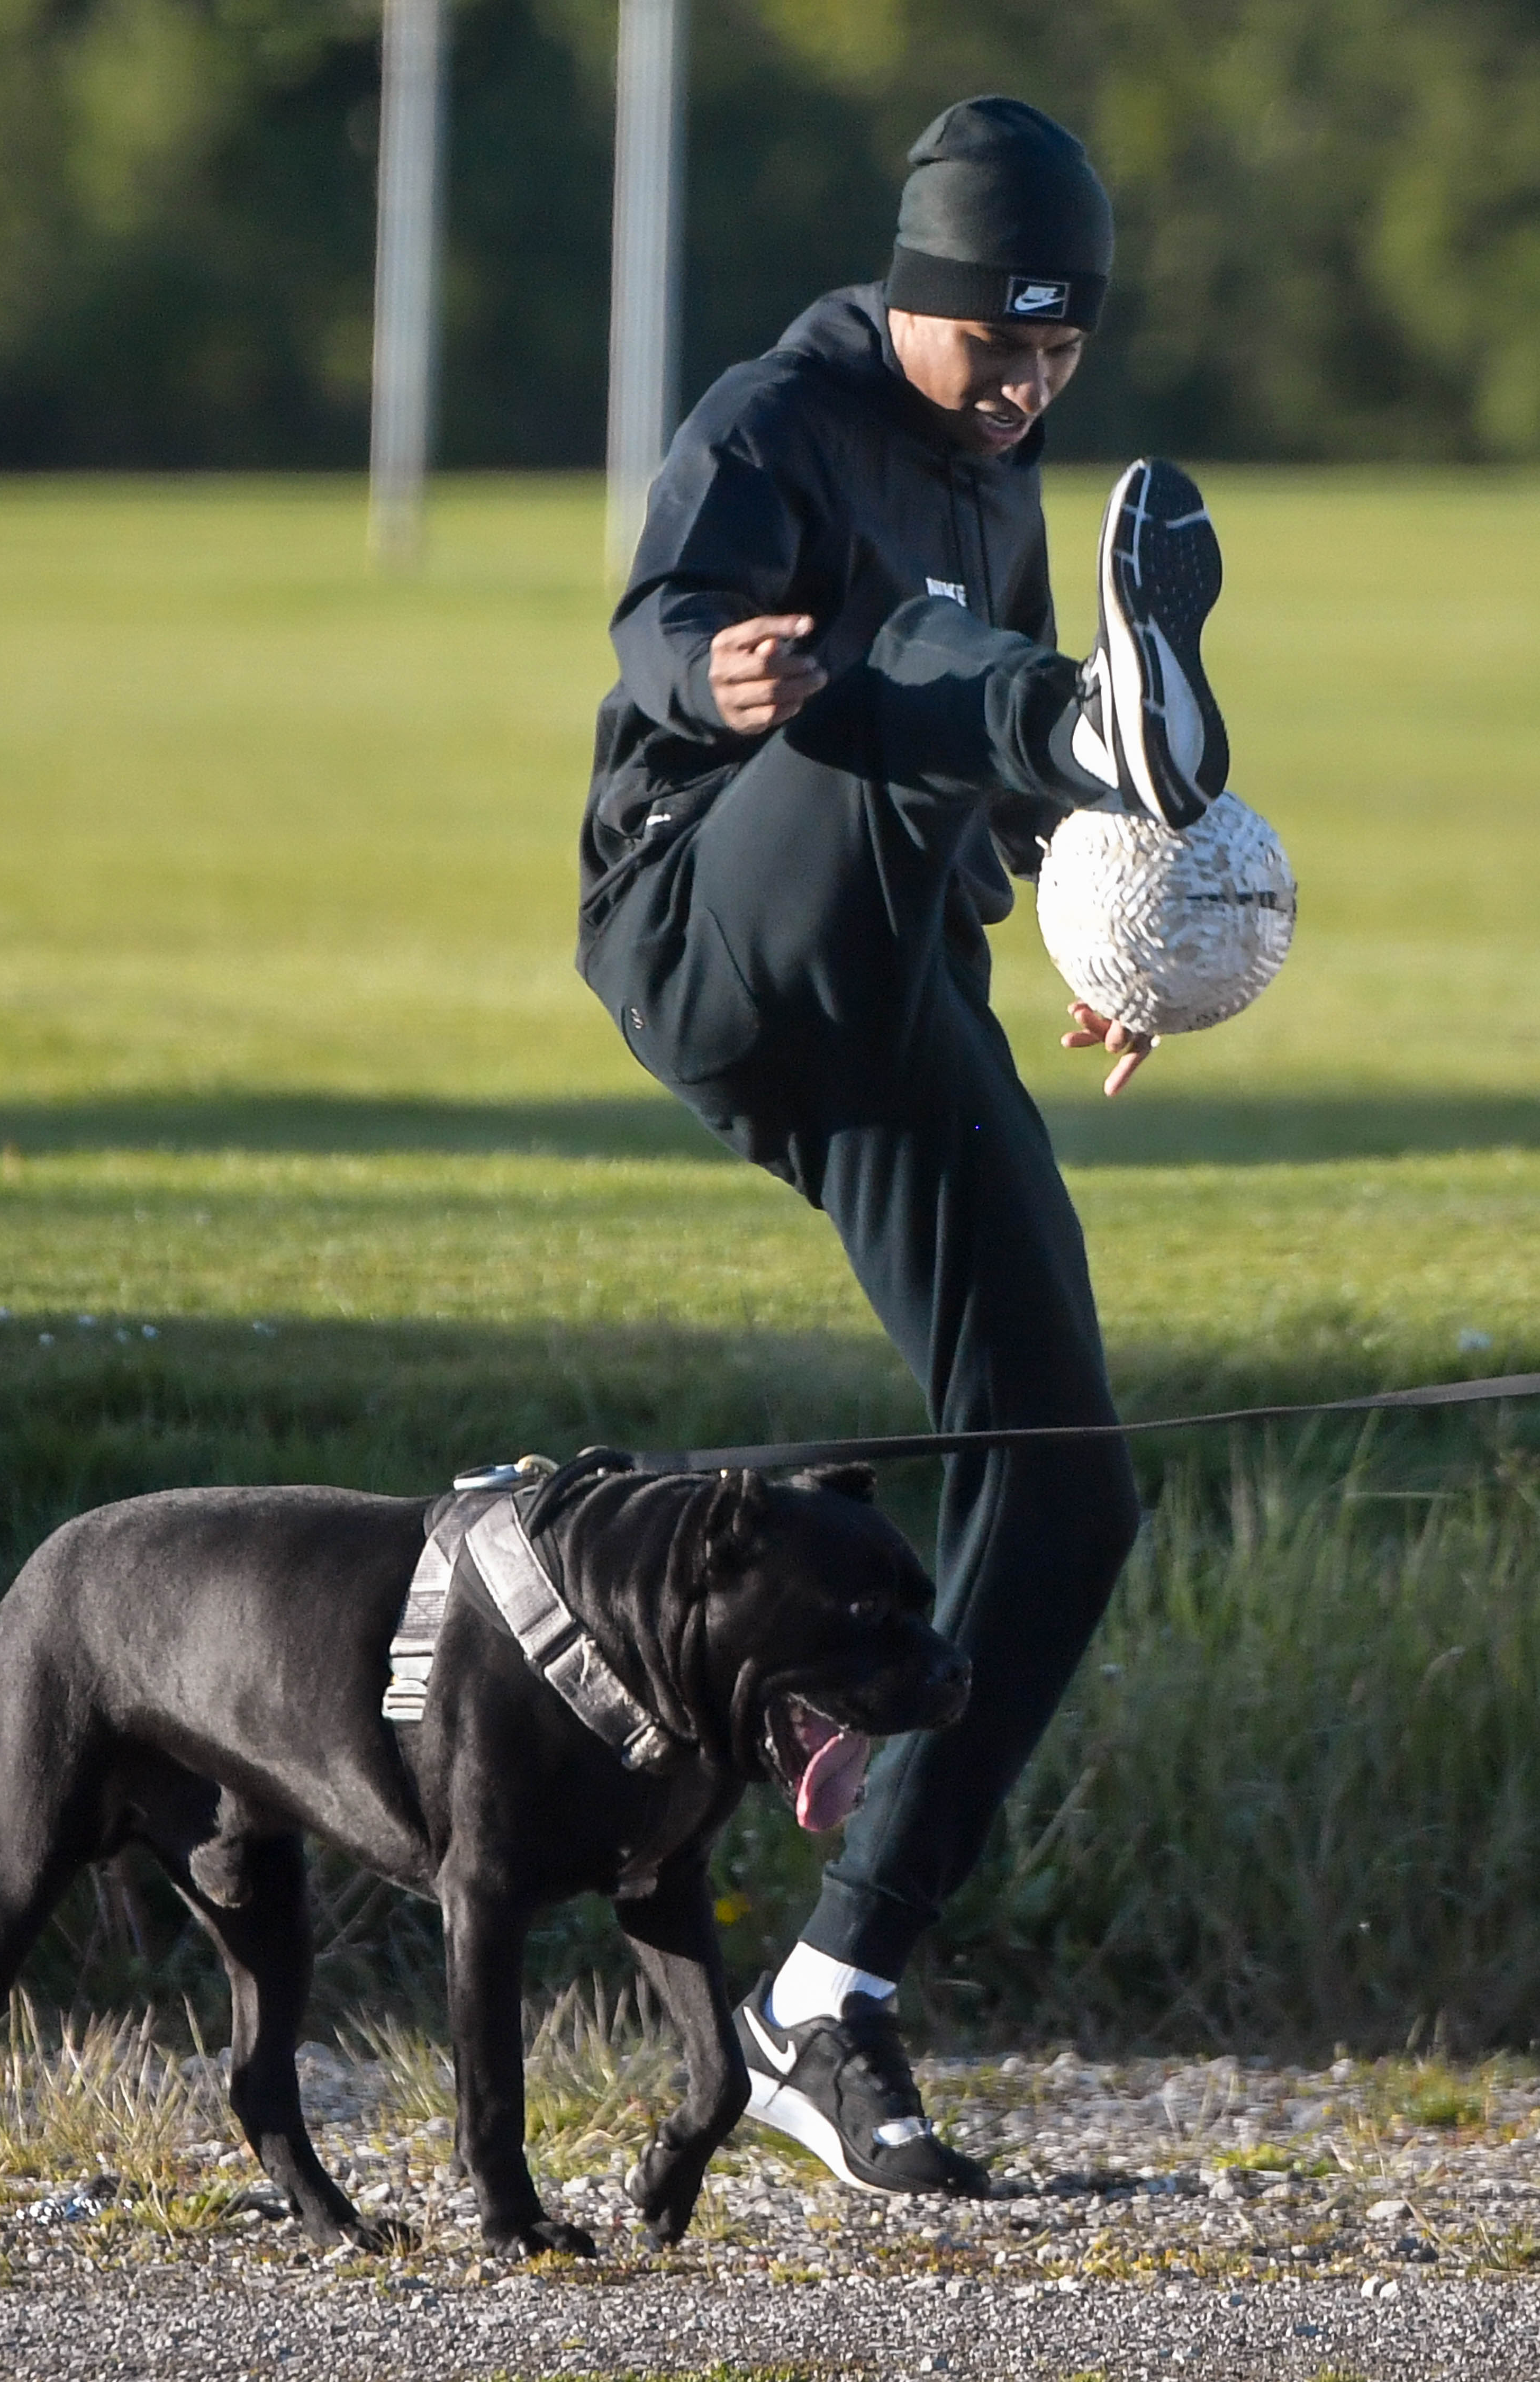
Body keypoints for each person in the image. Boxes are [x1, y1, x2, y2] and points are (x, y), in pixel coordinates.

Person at [574, 95, 1229, 2196]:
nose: (1026, 389)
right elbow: (654, 628)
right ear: (917, 303)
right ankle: (1101, 722)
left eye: (1060, 358)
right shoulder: (778, 415)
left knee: (1068, 1486)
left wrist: (1101, 920)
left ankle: (827, 2001)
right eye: (993, 352)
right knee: (885, 681)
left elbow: (990, 816)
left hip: (884, 1002)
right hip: (707, 916)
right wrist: (723, 666)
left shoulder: (998, 463)